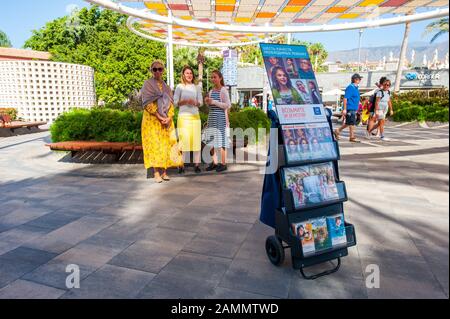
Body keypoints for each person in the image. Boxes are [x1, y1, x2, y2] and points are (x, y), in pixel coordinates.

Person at [141, 60, 182, 183]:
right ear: (151, 71)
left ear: (163, 70)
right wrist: (159, 116)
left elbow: (171, 103)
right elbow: (147, 103)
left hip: (166, 120)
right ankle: (156, 173)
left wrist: (169, 117)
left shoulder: (166, 87)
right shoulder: (147, 85)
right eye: (155, 69)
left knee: (165, 144)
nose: (157, 71)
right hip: (152, 120)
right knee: (155, 145)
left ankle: (164, 171)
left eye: (160, 69)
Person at [174, 66, 203, 174]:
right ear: (183, 75)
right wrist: (185, 101)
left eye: (190, 73)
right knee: (183, 142)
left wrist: (195, 103)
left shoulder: (197, 87)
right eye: (187, 73)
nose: (189, 75)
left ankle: (196, 165)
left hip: (195, 116)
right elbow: (175, 102)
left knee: (196, 141)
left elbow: (201, 102)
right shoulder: (179, 87)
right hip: (183, 117)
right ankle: (181, 165)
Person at [204, 70, 231, 173]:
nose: (213, 79)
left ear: (220, 78)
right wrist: (208, 102)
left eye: (215, 77)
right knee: (211, 141)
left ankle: (223, 164)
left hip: (221, 118)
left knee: (221, 141)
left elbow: (227, 105)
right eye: (212, 77)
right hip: (212, 118)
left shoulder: (223, 90)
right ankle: (214, 163)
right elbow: (210, 106)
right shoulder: (211, 91)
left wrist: (214, 102)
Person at [334, 73, 363, 143]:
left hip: (353, 108)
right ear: (355, 80)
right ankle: (352, 137)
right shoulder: (350, 87)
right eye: (359, 79)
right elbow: (345, 98)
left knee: (348, 123)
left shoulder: (355, 88)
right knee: (352, 123)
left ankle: (337, 131)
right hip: (350, 108)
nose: (360, 80)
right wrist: (344, 109)